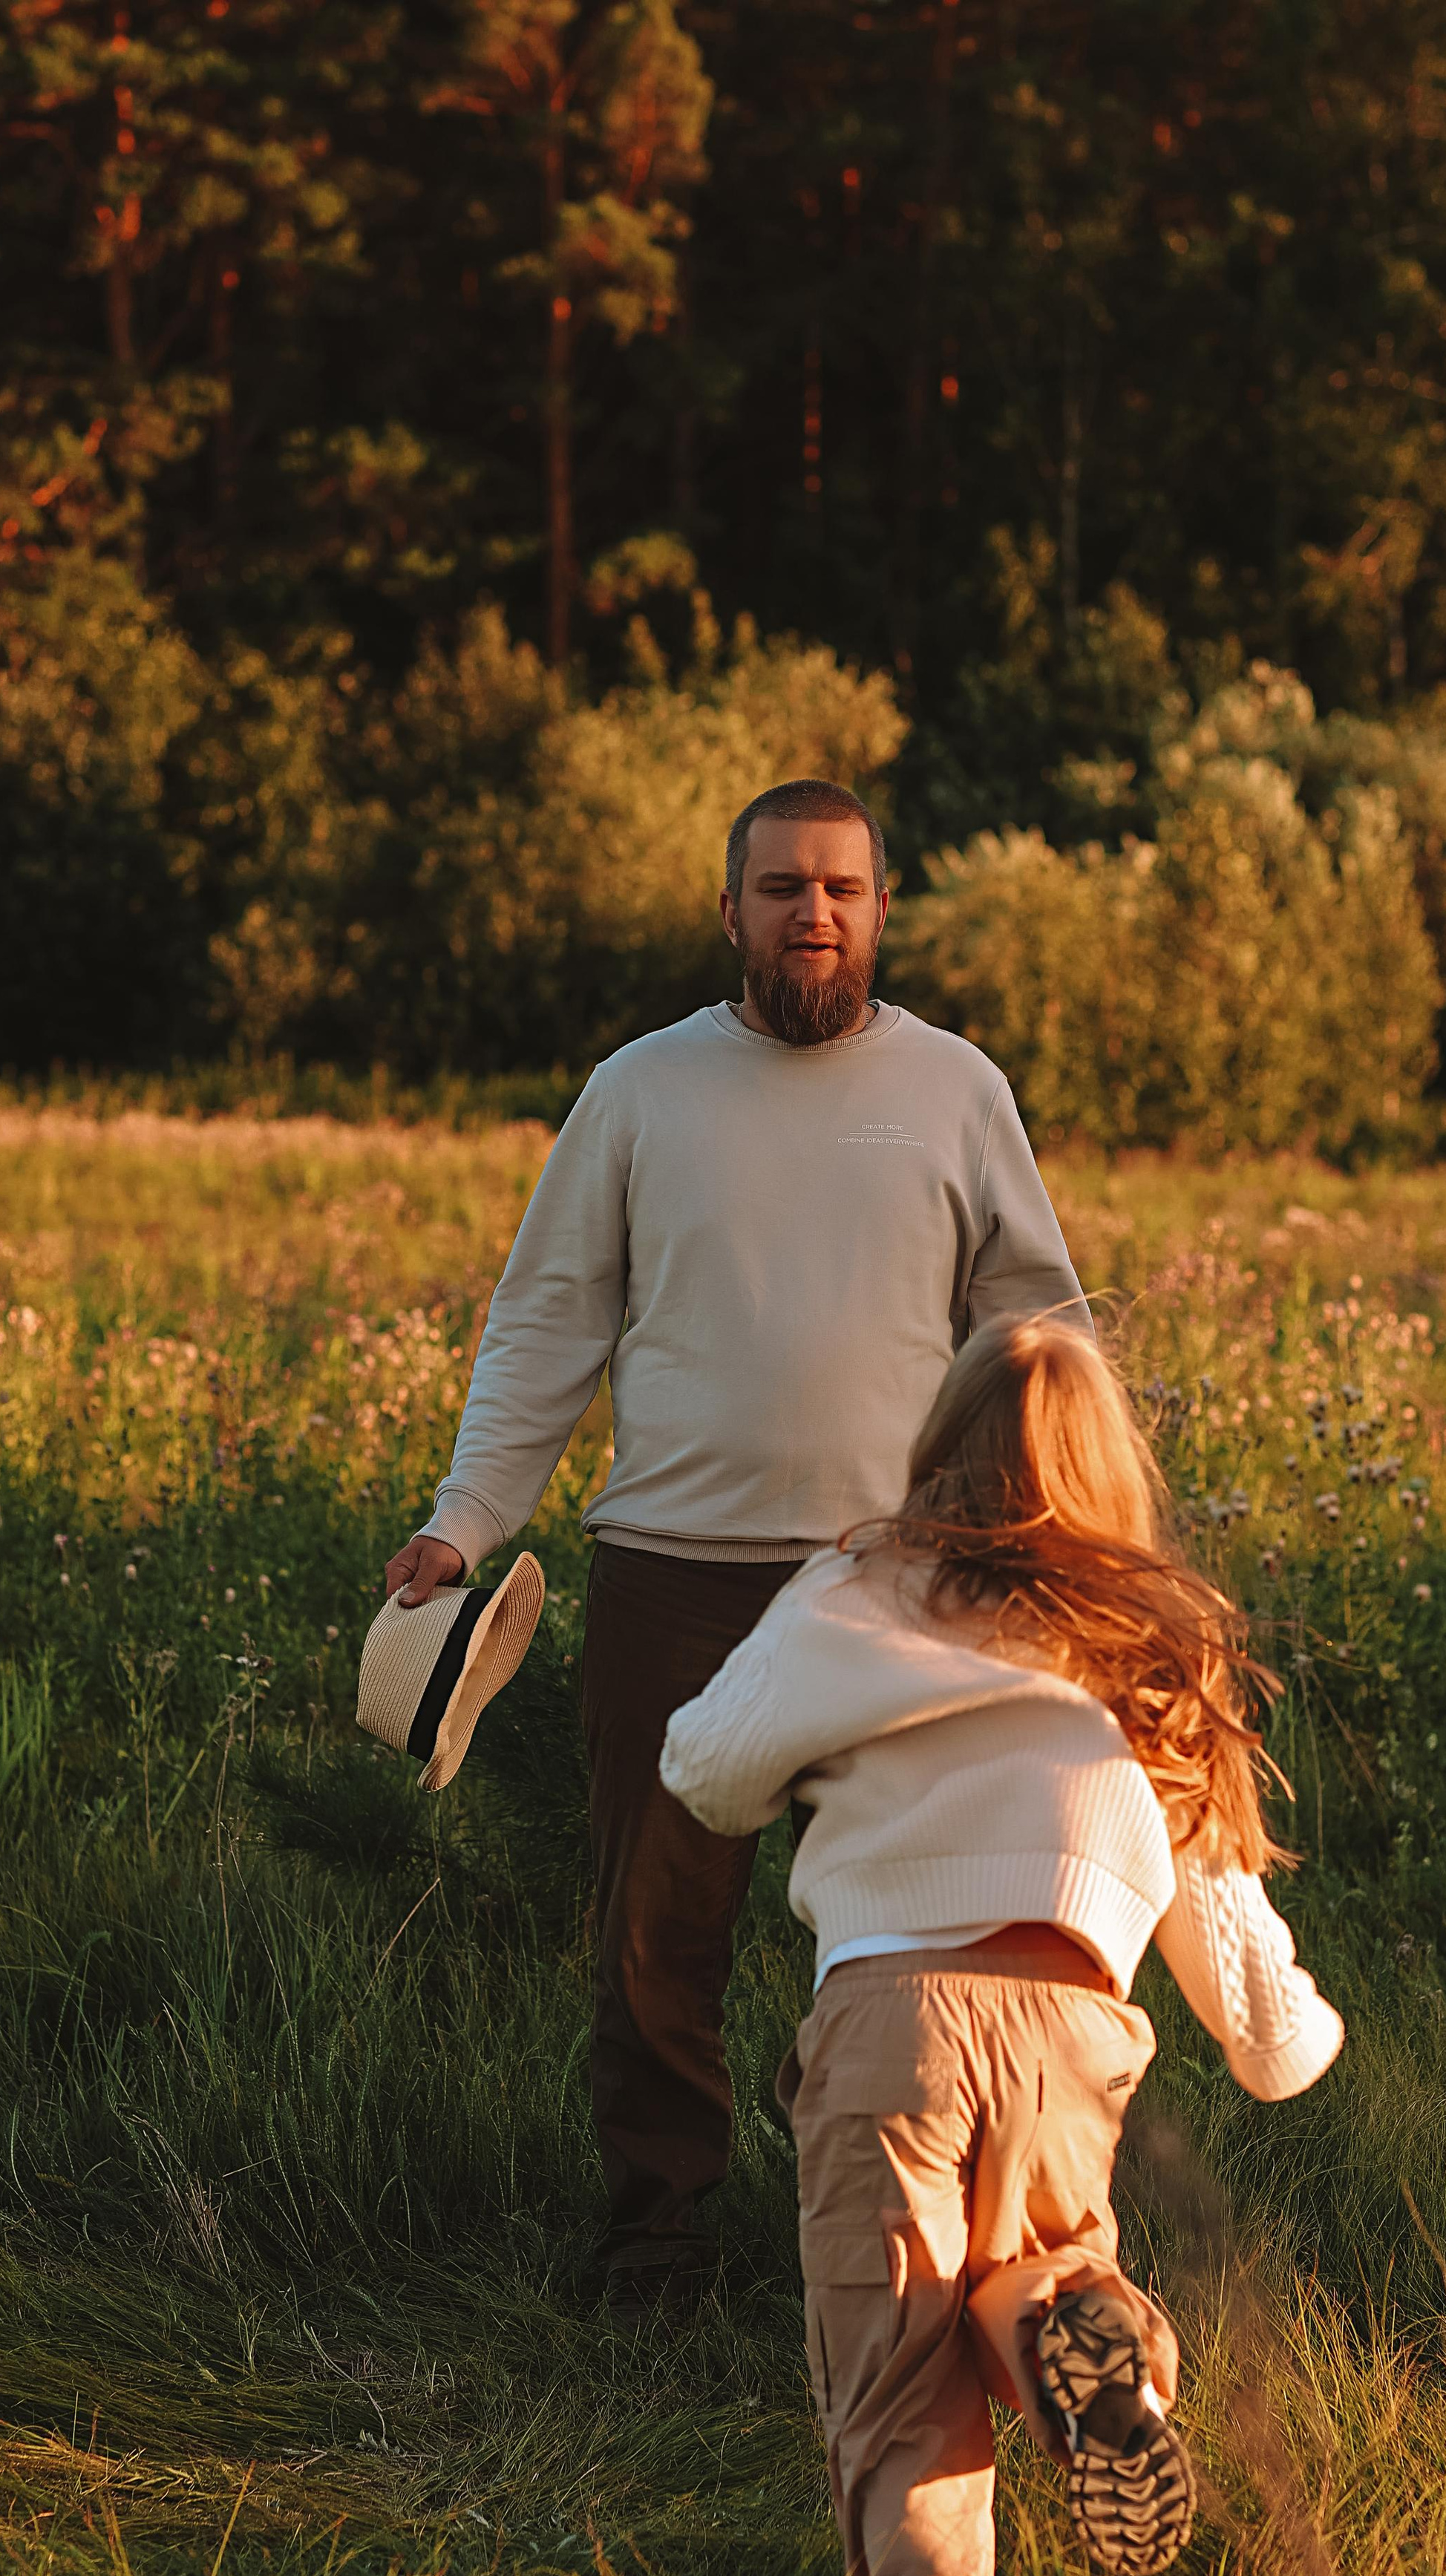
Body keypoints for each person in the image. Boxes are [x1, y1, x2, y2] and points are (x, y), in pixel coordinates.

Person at [383, 778, 1084, 2322]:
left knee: (920, 1931)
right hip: (672, 1580)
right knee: (656, 1930)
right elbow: (545, 1324)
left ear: (882, 906)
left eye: (840, 887)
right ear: (730, 912)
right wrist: (464, 1522)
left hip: (898, 1590)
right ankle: (654, 2245)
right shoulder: (640, 1092)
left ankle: (921, 2249)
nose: (811, 914)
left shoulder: (958, 1089)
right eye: (780, 889)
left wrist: (1065, 1533)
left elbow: (1035, 1328)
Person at [659, 1312, 1343, 2576]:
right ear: (1111, 1467)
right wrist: (1284, 2033)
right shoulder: (1156, 1639)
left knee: (897, 2376)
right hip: (1067, 2025)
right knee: (1036, 2270)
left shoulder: (856, 1588)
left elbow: (706, 1768)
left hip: (889, 2019)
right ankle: (1102, 2354)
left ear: (937, 1452)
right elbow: (1225, 1928)